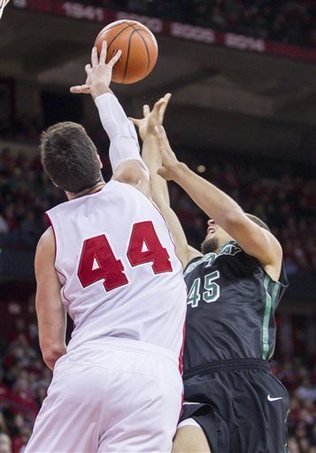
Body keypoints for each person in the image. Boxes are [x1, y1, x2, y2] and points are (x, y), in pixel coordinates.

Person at [25, 44, 187, 453]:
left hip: (87, 362)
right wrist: (101, 89)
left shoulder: (52, 239)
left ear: (56, 180)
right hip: (155, 373)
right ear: (99, 160)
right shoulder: (132, 182)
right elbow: (121, 134)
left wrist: (86, 377)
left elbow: (51, 348)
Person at [132, 96, 289, 453]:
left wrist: (179, 169)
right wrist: (151, 141)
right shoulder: (191, 263)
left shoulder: (265, 256)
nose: (209, 219)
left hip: (249, 380)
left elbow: (233, 217)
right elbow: (158, 203)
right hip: (196, 385)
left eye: (218, 221)